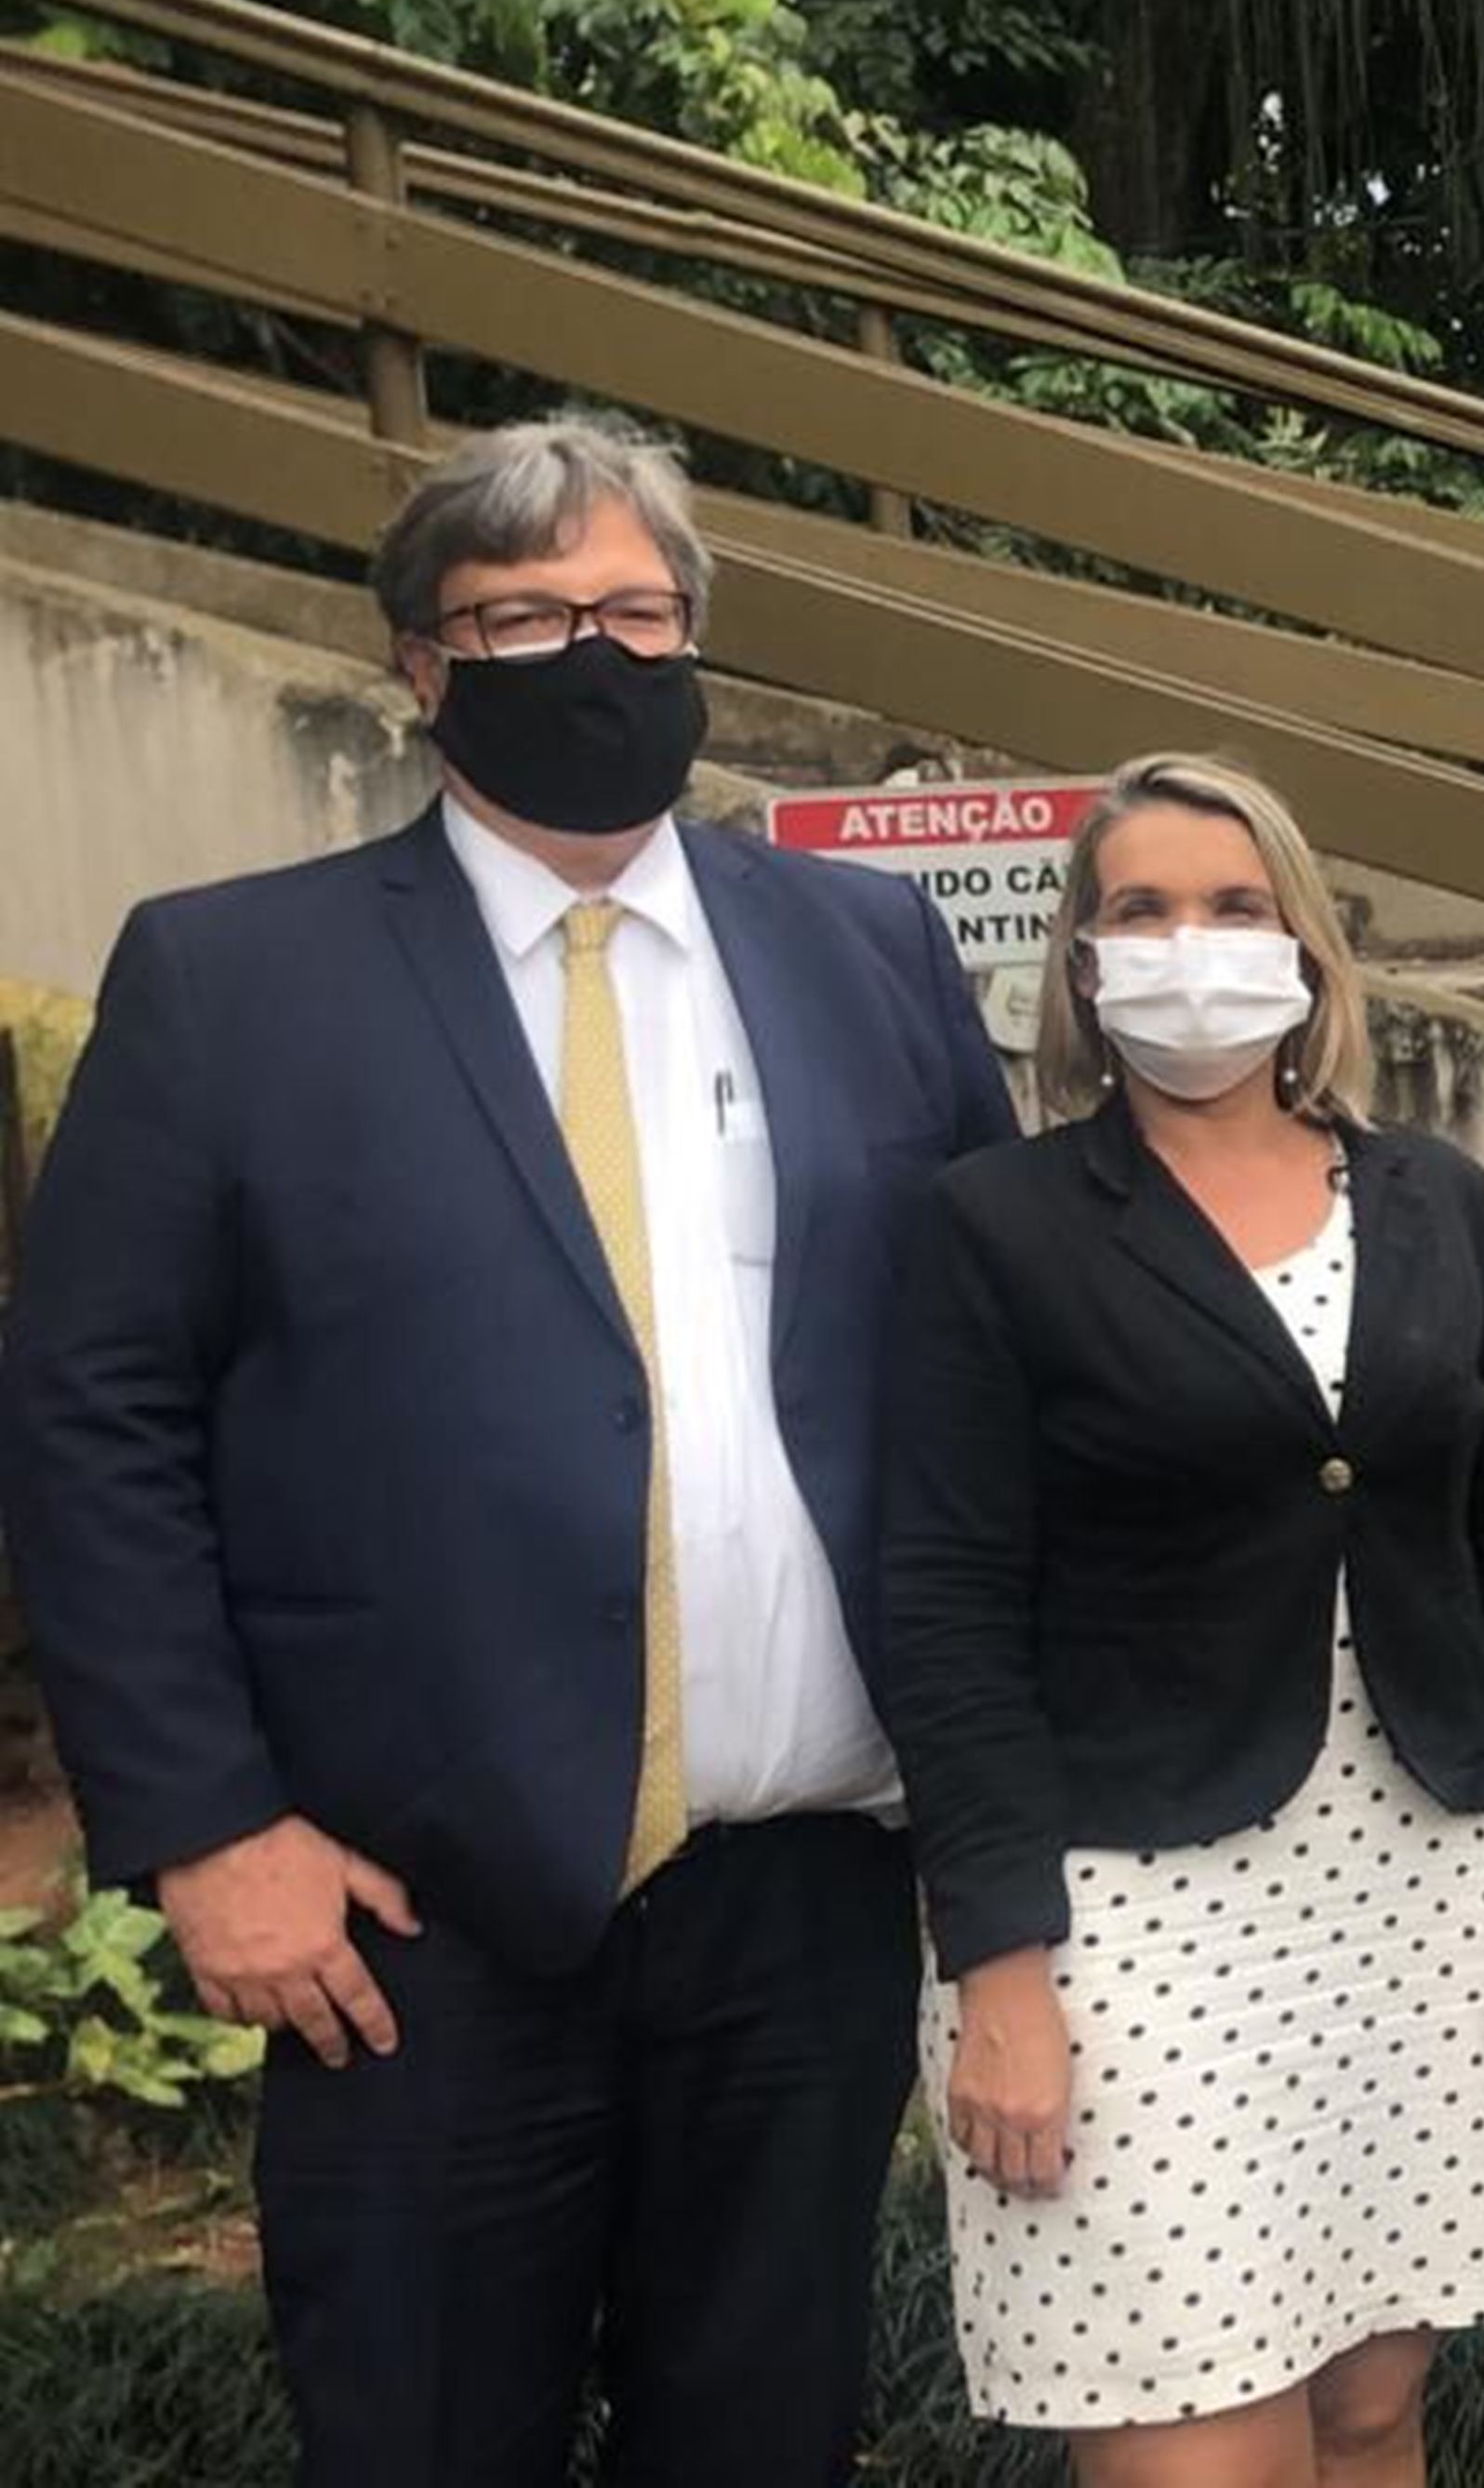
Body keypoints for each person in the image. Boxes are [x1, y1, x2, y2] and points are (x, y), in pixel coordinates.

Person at [0, 419, 1019, 2483]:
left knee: (762, 2446)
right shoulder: (230, 979)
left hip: (805, 1899)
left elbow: (987, 1371)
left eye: (639, 611)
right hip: (411, 1927)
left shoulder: (870, 954)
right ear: (419, 663)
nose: (596, 655)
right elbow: (91, 1409)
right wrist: (207, 1828)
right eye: (528, 619)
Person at [877, 752, 1484, 2486]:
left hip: (1424, 1884)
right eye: (1139, 911)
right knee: (1201, 2452)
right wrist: (998, 1968)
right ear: (1080, 963)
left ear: (1305, 945)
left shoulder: (1437, 1197)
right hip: (1126, 1915)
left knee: (1368, 2414)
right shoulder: (996, 1226)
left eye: (1232, 906)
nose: (1187, 944)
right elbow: (947, 1605)